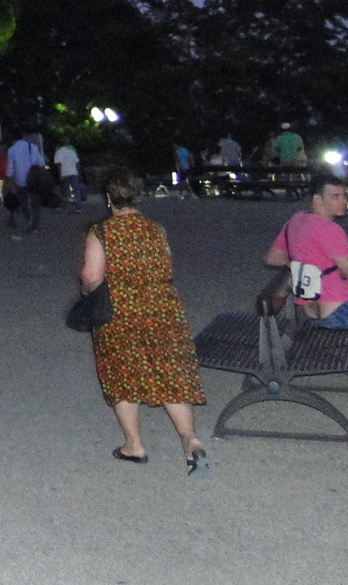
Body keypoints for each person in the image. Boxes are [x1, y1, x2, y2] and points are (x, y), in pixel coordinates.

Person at [80, 169, 209, 476]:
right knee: (169, 374)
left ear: (109, 199)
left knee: (122, 373)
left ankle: (134, 445)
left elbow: (93, 276)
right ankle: (191, 440)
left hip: (120, 312)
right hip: (162, 309)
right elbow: (166, 266)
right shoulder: (155, 229)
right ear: (138, 197)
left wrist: (85, 291)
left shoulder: (102, 232)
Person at [264, 179, 348, 328]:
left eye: (344, 196)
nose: (343, 201)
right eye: (335, 196)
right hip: (344, 312)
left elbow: (273, 258)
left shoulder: (296, 220)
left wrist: (303, 260)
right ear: (317, 199)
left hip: (311, 313)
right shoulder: (330, 230)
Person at [8, 132, 45, 235]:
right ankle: (35, 224)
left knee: (24, 202)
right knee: (35, 202)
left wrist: (11, 184)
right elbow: (41, 163)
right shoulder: (33, 147)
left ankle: (29, 219)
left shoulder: (12, 150)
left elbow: (10, 169)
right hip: (34, 178)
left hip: (21, 180)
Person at [55, 142, 83, 209]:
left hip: (64, 173)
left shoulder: (58, 153)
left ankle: (66, 206)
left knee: (65, 191)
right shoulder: (71, 152)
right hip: (74, 172)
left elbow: (59, 165)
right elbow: (77, 163)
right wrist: (79, 173)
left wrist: (60, 174)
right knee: (76, 190)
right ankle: (78, 207)